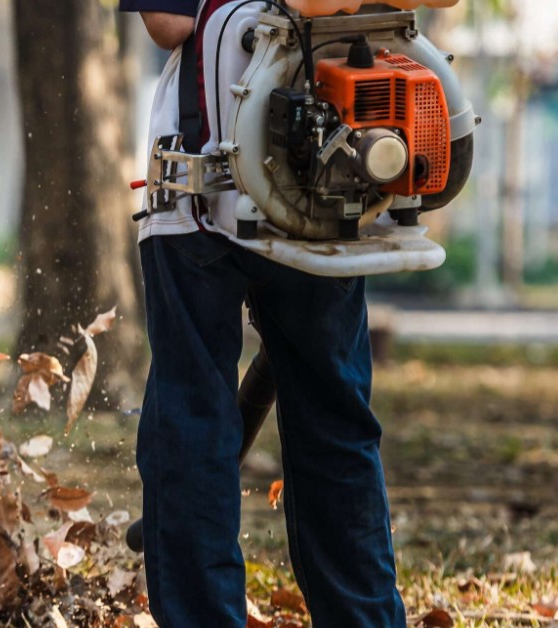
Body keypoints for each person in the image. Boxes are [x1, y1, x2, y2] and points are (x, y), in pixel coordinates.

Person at [121, 1, 407, 626]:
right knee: (333, 421)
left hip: (224, 181)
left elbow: (167, 23)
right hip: (310, 181)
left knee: (196, 419)